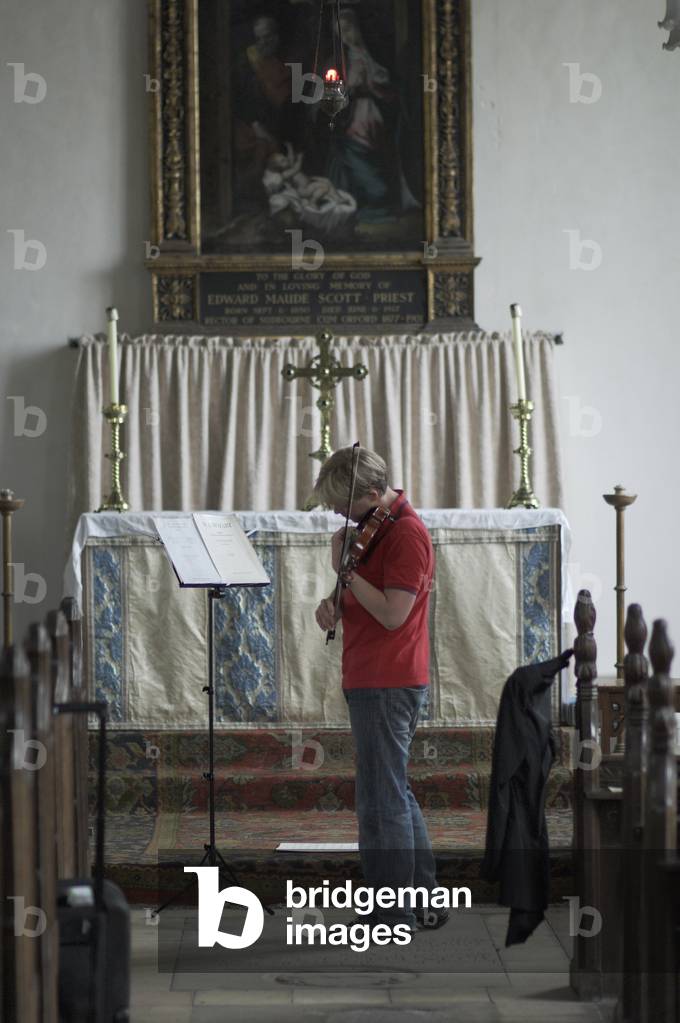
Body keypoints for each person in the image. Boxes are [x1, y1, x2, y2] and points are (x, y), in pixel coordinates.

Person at [312, 446, 448, 934]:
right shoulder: (378, 528)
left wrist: (342, 570)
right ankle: (424, 898)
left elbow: (394, 614)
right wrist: (333, 603)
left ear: (372, 493)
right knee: (394, 792)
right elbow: (365, 599)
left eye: (341, 503)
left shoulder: (406, 533)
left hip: (388, 679)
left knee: (380, 799)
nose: (336, 512)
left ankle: (392, 912)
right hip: (372, 673)